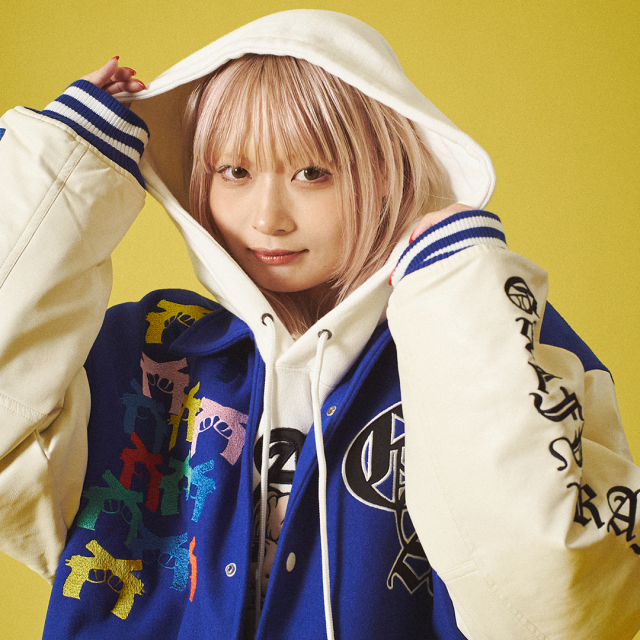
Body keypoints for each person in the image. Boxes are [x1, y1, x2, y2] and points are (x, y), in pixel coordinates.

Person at [0, 9, 638, 640]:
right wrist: (61, 170)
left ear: (387, 174)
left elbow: (557, 607)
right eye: (235, 172)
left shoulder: (489, 331)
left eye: (313, 173)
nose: (268, 218)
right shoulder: (151, 352)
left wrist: (457, 281)